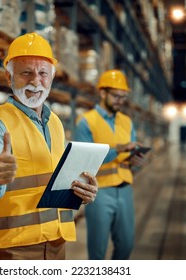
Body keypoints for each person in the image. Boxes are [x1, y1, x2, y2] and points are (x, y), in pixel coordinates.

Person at [0, 32, 98, 260]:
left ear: (52, 77)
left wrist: (81, 191)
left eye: (43, 73)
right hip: (13, 249)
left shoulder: (55, 124)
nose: (35, 81)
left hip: (57, 242)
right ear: (9, 77)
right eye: (26, 73)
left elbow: (51, 182)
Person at [74, 69, 146, 260]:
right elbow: (85, 160)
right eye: (116, 96)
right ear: (103, 93)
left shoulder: (127, 122)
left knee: (127, 245)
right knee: (98, 251)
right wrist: (119, 149)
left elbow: (129, 158)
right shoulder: (86, 122)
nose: (120, 101)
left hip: (125, 190)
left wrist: (135, 161)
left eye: (123, 97)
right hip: (99, 193)